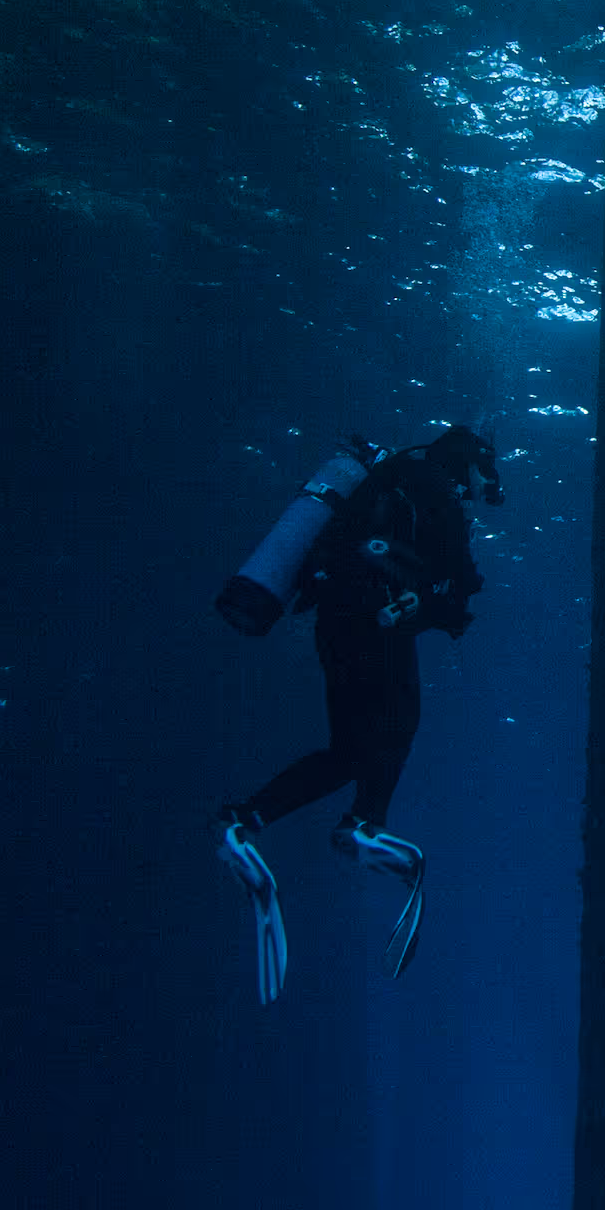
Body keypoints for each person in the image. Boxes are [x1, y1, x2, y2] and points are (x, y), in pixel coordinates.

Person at [214, 423, 501, 995]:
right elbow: (458, 577)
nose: (479, 488)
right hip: (377, 622)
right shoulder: (433, 488)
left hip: (334, 625)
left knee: (347, 750)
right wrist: (451, 601)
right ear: (462, 462)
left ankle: (244, 821)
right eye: (480, 475)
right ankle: (365, 823)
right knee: (400, 722)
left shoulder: (389, 479)